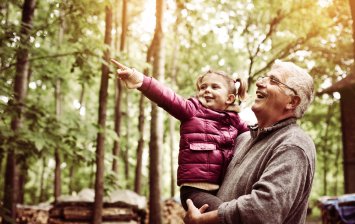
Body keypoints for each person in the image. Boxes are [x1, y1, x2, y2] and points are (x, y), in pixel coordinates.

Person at [183, 60, 316, 224]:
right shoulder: (242, 139)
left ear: (292, 102)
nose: (260, 83)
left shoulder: (293, 144)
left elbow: (265, 210)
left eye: (273, 81)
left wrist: (204, 220)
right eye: (264, 77)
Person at [110, 59, 249, 211]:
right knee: (226, 214)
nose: (207, 90)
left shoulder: (234, 121)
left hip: (222, 188)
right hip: (195, 190)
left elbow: (254, 133)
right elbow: (168, 97)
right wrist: (141, 80)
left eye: (215, 87)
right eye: (203, 87)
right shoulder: (192, 110)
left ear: (229, 98)